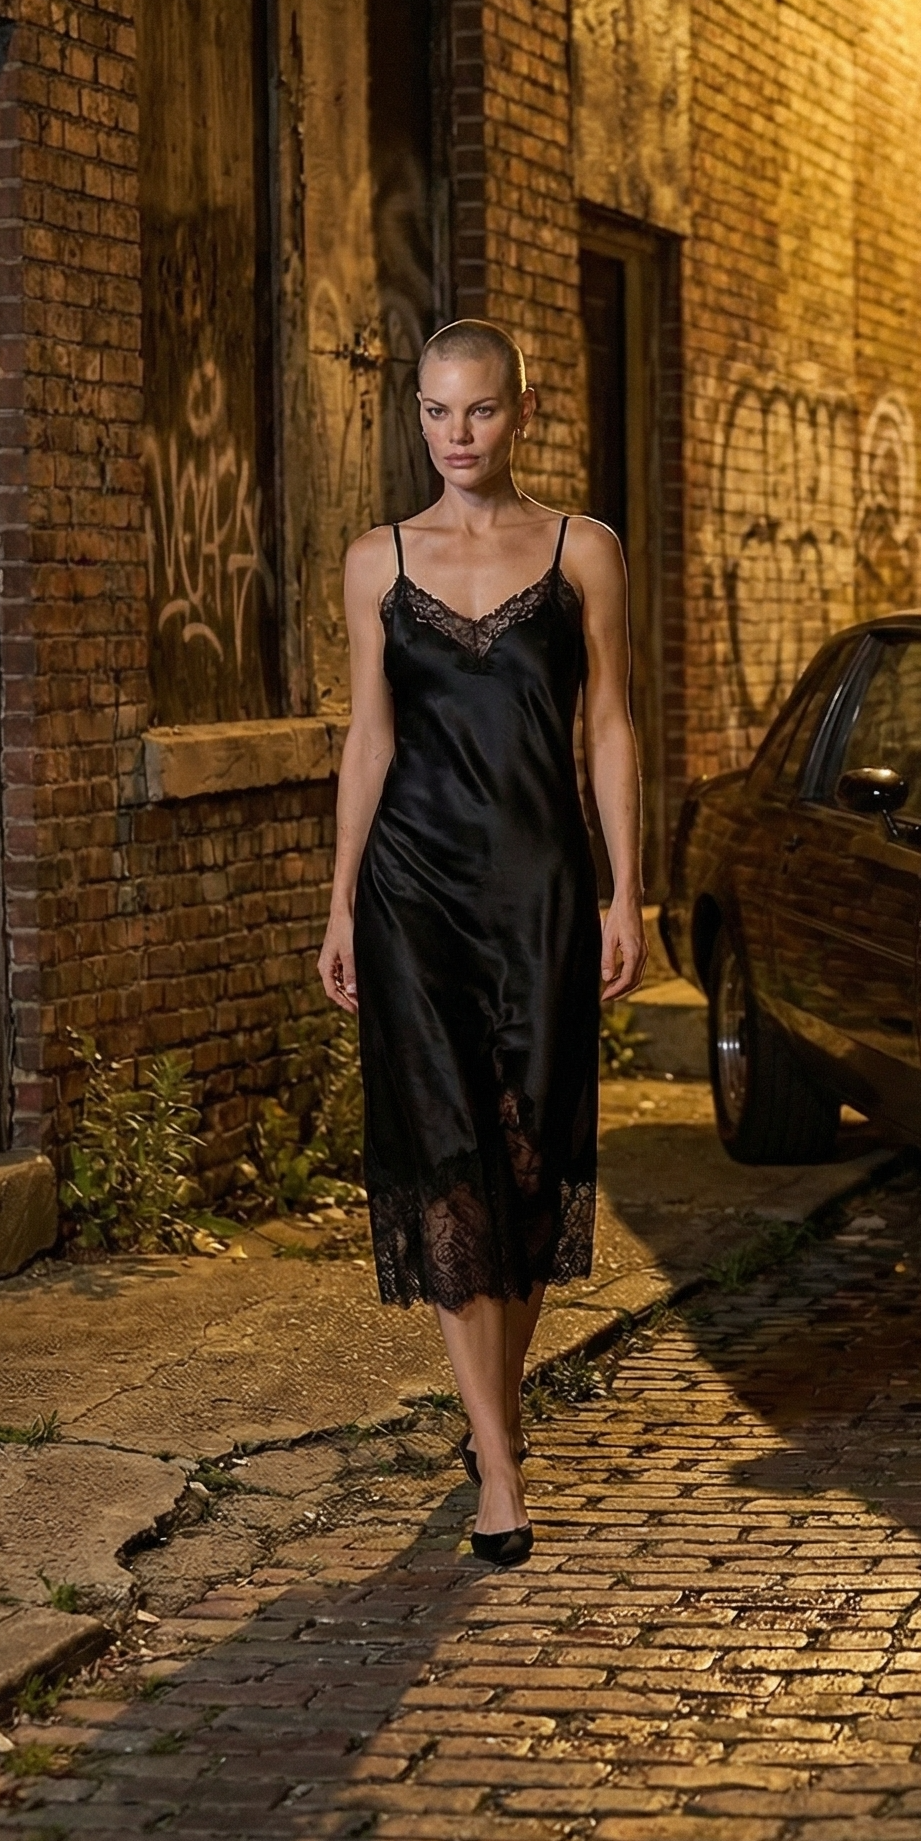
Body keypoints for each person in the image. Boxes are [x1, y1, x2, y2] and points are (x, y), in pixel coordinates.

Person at [318, 319, 646, 1565]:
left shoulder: (582, 552)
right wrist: (340, 902)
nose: (457, 436)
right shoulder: (376, 560)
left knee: (530, 1155)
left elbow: (607, 727)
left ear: (520, 410)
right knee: (449, 1154)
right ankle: (498, 1465)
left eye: (480, 411)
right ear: (415, 415)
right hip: (412, 891)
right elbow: (369, 739)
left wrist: (625, 891)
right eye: (435, 412)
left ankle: (490, 1412)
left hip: (542, 888)